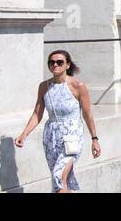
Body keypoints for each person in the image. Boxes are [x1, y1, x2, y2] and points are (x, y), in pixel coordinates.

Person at [15, 49, 101, 193]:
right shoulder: (44, 86)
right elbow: (37, 113)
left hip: (72, 135)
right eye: (51, 62)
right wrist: (24, 134)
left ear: (67, 65)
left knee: (58, 176)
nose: (55, 65)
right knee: (61, 180)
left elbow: (87, 114)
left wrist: (94, 138)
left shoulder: (78, 86)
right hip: (51, 136)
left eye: (59, 62)